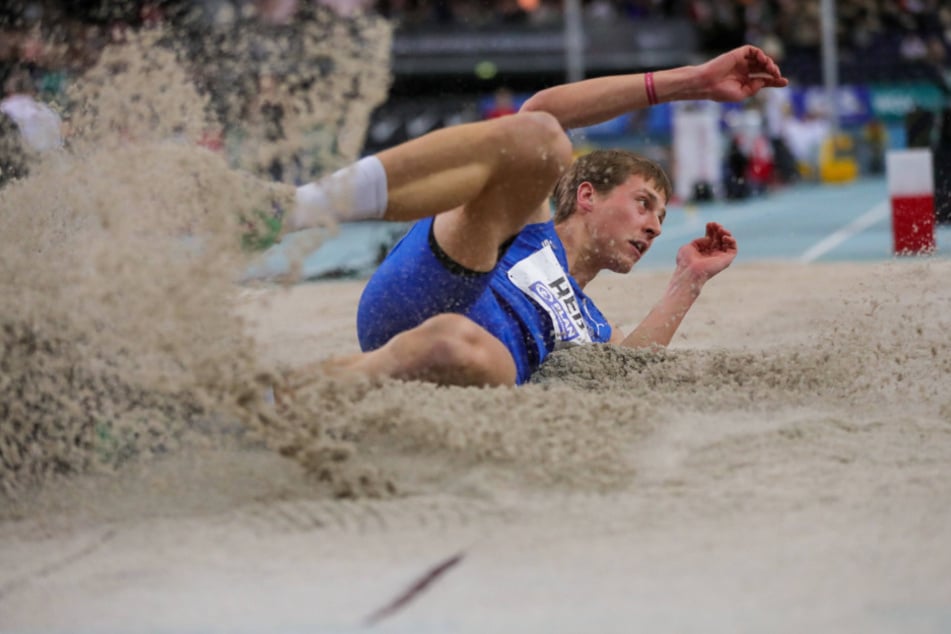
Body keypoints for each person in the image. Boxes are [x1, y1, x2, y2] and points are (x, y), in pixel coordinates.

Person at [281, 45, 787, 390]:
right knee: (538, 139)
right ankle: (299, 208)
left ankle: (284, 394)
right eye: (642, 204)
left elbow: (626, 371)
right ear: (586, 196)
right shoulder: (534, 226)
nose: (655, 225)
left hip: (471, 355)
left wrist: (688, 281)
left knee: (449, 343)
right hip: (433, 288)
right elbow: (543, 110)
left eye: (659, 215)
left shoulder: (592, 325)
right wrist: (693, 81)